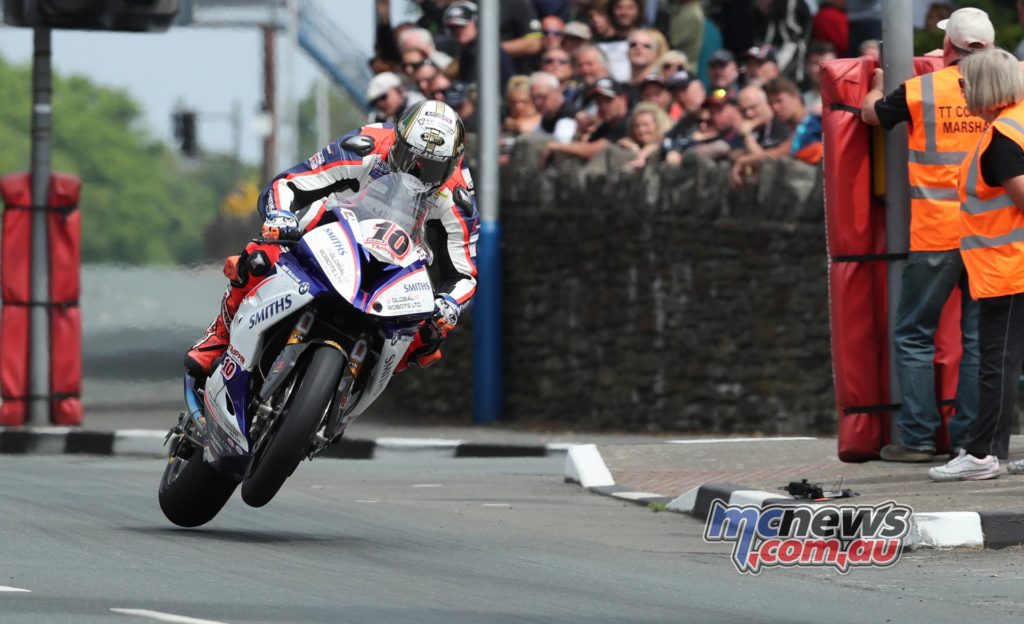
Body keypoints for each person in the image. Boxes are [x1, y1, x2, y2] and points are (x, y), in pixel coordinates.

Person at [184, 101, 478, 378]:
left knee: (430, 334)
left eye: (432, 167)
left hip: (395, 267)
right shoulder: (366, 146)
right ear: (397, 142)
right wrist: (281, 216)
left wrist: (449, 304)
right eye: (410, 158)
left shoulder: (456, 196)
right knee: (260, 256)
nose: (417, 172)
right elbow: (291, 182)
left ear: (452, 164)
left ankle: (348, 400)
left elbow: (464, 272)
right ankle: (219, 337)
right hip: (330, 232)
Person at [860, 7, 993, 463]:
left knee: (914, 333)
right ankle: (968, 440)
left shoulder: (921, 90)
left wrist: (876, 85)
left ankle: (916, 437)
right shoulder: (1008, 91)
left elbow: (871, 115)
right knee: (978, 340)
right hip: (991, 235)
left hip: (936, 233)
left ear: (948, 48)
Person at [926, 49, 1024, 480]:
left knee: (995, 365)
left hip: (1008, 271)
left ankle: (981, 454)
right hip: (1010, 267)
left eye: (965, 83)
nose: (960, 89)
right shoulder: (1018, 122)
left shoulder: (1003, 138)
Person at [542, 77, 630, 164]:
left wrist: (557, 146)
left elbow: (594, 151)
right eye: (599, 101)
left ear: (623, 99)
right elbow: (583, 148)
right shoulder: (606, 124)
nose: (603, 106)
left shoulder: (628, 122)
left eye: (608, 100)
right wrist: (581, 132)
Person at [445, 1, 516, 88]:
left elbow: (507, 82)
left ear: (477, 22)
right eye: (453, 28)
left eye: (462, 26)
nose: (457, 31)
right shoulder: (466, 55)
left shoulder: (491, 52)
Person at [617, 101, 672, 170]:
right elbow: (623, 142)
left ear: (658, 125)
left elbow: (656, 145)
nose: (641, 130)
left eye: (646, 125)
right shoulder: (632, 144)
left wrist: (641, 155)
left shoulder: (666, 141)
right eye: (637, 126)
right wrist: (632, 146)